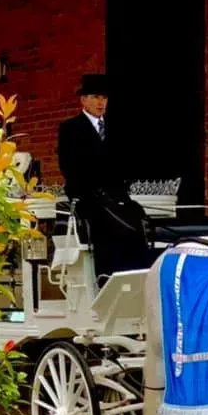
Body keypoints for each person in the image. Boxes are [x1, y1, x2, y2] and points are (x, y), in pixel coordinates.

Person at [56, 73, 150, 280]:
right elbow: (68, 166)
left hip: (117, 195)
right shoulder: (71, 128)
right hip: (87, 196)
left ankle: (139, 276)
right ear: (84, 100)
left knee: (138, 220)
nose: (101, 102)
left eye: (104, 98)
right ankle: (106, 276)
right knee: (107, 225)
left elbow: (125, 163)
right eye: (96, 97)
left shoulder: (115, 129)